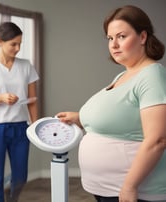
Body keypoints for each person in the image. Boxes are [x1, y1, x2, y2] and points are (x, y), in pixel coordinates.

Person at [56, 5, 166, 202]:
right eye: (110, 38)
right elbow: (119, 117)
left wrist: (130, 186)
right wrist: (80, 118)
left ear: (142, 37)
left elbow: (157, 140)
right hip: (108, 190)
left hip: (133, 192)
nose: (114, 44)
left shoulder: (152, 75)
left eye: (122, 36)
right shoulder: (124, 75)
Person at [0, 22, 39, 202]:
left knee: (21, 177)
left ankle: (12, 199)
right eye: (13, 44)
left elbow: (33, 100)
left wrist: (35, 126)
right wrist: (0, 98)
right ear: (0, 41)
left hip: (20, 129)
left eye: (20, 44)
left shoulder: (26, 66)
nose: (18, 48)